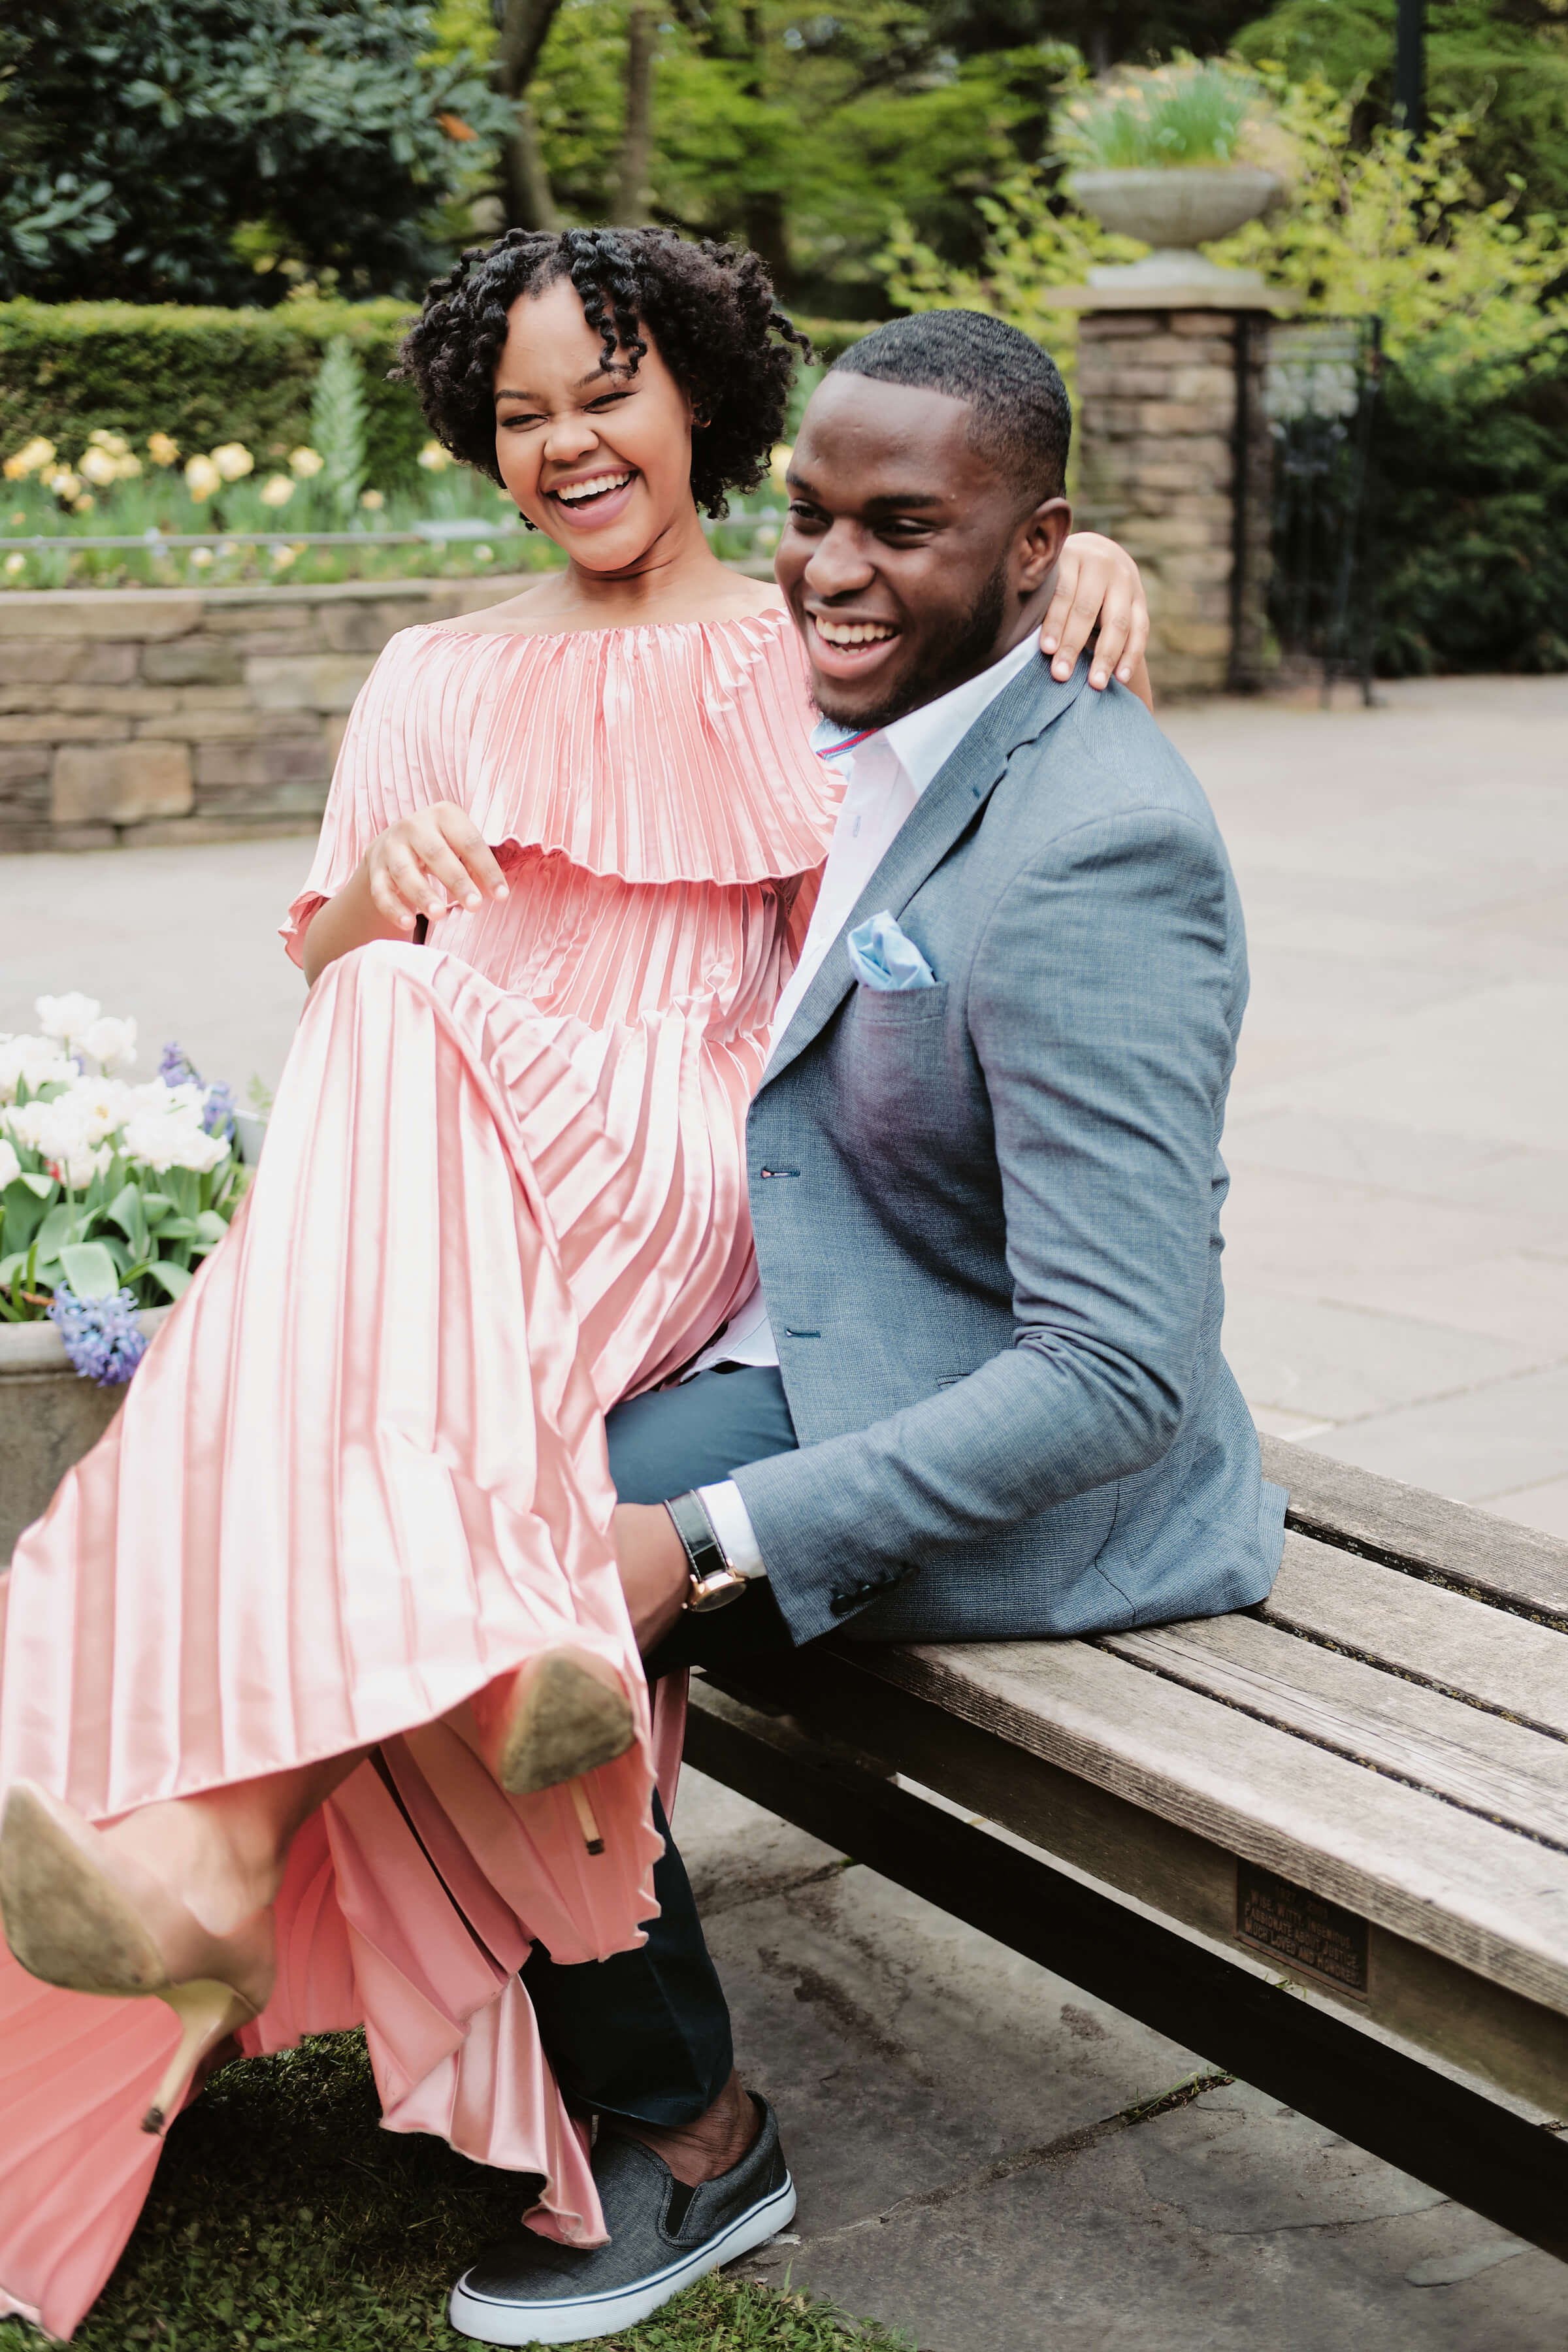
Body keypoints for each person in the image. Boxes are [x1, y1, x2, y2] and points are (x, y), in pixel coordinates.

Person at [0, 230, 1150, 2344]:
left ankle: (220, 1854)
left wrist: (1100, 572)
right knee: (386, 1032)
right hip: (460, 1188)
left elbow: (974, 714)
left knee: (369, 1146)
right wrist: (384, 892)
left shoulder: (806, 641)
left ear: (701, 395)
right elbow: (330, 959)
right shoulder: (434, 671)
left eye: (604, 392)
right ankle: (422, 1704)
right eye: (521, 413)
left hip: (698, 1170)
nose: (565, 445)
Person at [444, 307, 1286, 2348]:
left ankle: (693, 2135)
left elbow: (1112, 1369)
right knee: (412, 1491)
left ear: (1036, 546)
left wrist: (717, 1531)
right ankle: (452, 2021)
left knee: (514, 1592)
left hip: (1048, 1469)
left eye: (902, 528)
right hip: (822, 1325)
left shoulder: (1103, 846)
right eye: (809, 514)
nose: (825, 568)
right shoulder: (844, 689)